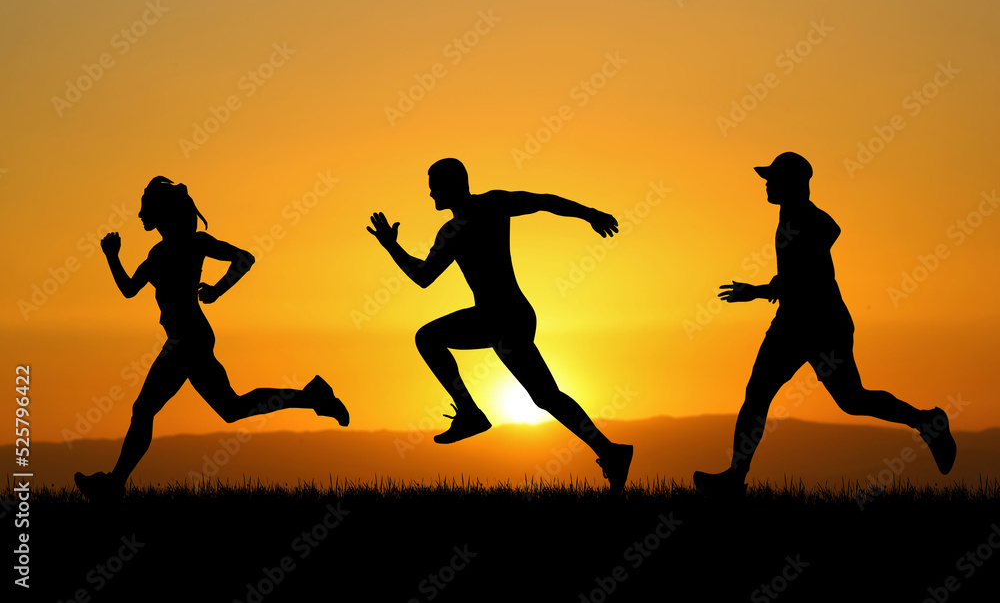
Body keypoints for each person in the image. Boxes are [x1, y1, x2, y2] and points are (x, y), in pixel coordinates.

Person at [693, 152, 956, 497]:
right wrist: (775, 284)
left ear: (792, 183)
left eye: (773, 179)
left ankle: (928, 422)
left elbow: (809, 269)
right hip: (795, 322)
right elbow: (802, 265)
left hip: (819, 326)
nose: (767, 184)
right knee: (765, 396)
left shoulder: (804, 218)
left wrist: (757, 291)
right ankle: (735, 478)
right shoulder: (792, 215)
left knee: (847, 400)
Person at [367, 158, 634, 492]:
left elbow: (543, 202)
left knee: (428, 338)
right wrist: (589, 214)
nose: (430, 191)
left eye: (434, 183)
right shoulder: (473, 217)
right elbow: (544, 202)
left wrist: (589, 214)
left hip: (499, 317)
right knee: (546, 396)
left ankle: (469, 412)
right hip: (511, 316)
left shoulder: (481, 211)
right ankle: (610, 451)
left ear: (452, 185)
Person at [75, 177, 348, 502]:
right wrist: (112, 255)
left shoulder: (194, 242)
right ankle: (312, 396)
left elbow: (244, 257)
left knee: (144, 408)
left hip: (187, 340)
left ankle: (113, 485)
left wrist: (218, 289)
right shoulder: (158, 253)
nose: (139, 215)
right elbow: (130, 289)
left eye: (145, 207)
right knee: (230, 408)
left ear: (161, 211)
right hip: (186, 338)